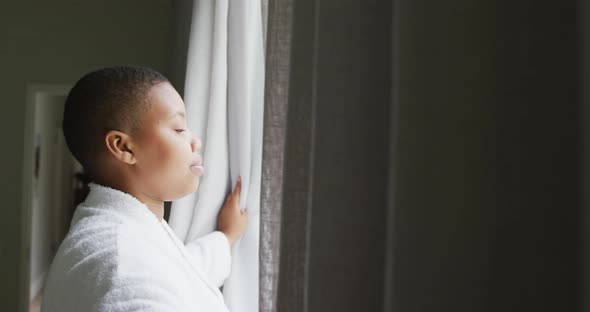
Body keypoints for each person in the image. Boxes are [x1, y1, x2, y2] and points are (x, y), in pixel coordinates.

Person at [41, 65, 248, 312]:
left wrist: (226, 236)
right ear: (124, 148)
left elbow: (180, 274)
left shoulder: (123, 238)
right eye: (179, 129)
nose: (195, 142)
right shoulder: (118, 262)